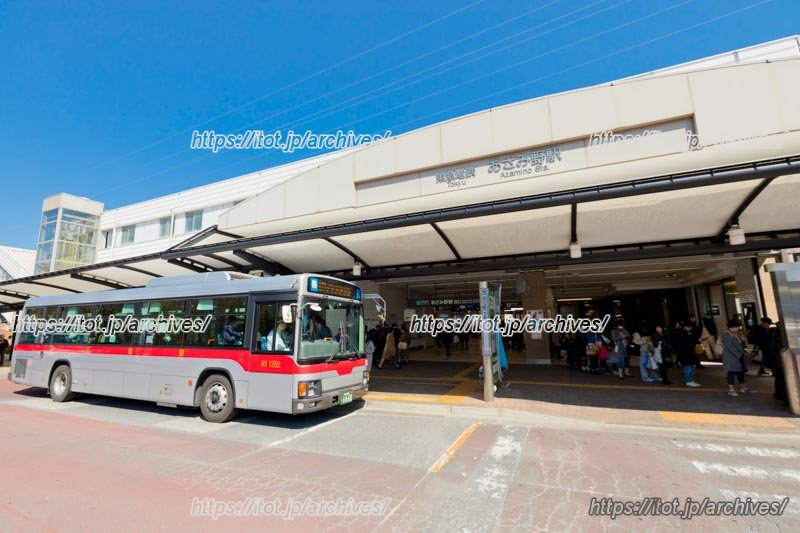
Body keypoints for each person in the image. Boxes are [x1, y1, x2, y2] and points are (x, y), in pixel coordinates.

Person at [722, 318, 756, 396]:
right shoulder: (726, 334)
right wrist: (738, 354)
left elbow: (738, 344)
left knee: (740, 372)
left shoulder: (734, 334)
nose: (739, 328)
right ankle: (731, 390)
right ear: (734, 327)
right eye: (738, 327)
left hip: (737, 357)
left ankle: (744, 387)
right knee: (731, 372)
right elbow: (730, 346)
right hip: (731, 357)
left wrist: (742, 340)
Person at [674, 320, 701, 387]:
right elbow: (689, 343)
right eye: (690, 327)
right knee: (688, 367)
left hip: (688, 353)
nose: (690, 328)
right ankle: (689, 381)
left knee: (690, 367)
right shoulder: (682, 334)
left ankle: (691, 380)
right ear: (686, 327)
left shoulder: (685, 333)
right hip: (686, 354)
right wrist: (696, 340)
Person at [769, 321, 788, 404]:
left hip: (777, 363)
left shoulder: (775, 338)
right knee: (784, 380)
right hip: (781, 363)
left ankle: (779, 395)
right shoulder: (781, 340)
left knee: (780, 379)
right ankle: (785, 397)